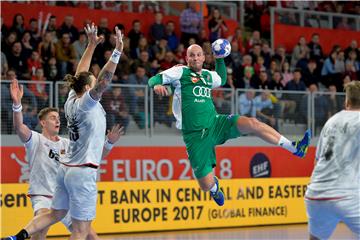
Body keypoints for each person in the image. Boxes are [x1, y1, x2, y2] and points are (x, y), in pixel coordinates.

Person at [148, 44, 311, 206]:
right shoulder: (180, 72)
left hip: (215, 123)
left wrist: (220, 59)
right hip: (195, 136)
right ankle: (214, 189)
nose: (195, 58)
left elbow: (222, 78)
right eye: (191, 55)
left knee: (253, 123)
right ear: (186, 58)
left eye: (198, 55)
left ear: (204, 58)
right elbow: (153, 79)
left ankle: (295, 148)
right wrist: (157, 85)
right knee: (205, 185)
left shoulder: (207, 75)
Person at [5, 23, 123, 240]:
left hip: (66, 171)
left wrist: (90, 46)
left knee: (56, 213)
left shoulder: (71, 98)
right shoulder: (87, 103)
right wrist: (116, 53)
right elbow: (103, 81)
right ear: (88, 88)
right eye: (93, 81)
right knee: (81, 231)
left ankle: (19, 236)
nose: (96, 80)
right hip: (83, 172)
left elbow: (81, 73)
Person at [305, 81, 360, 240]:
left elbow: (317, 162)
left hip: (315, 194)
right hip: (346, 195)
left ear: (346, 102)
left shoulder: (331, 122)